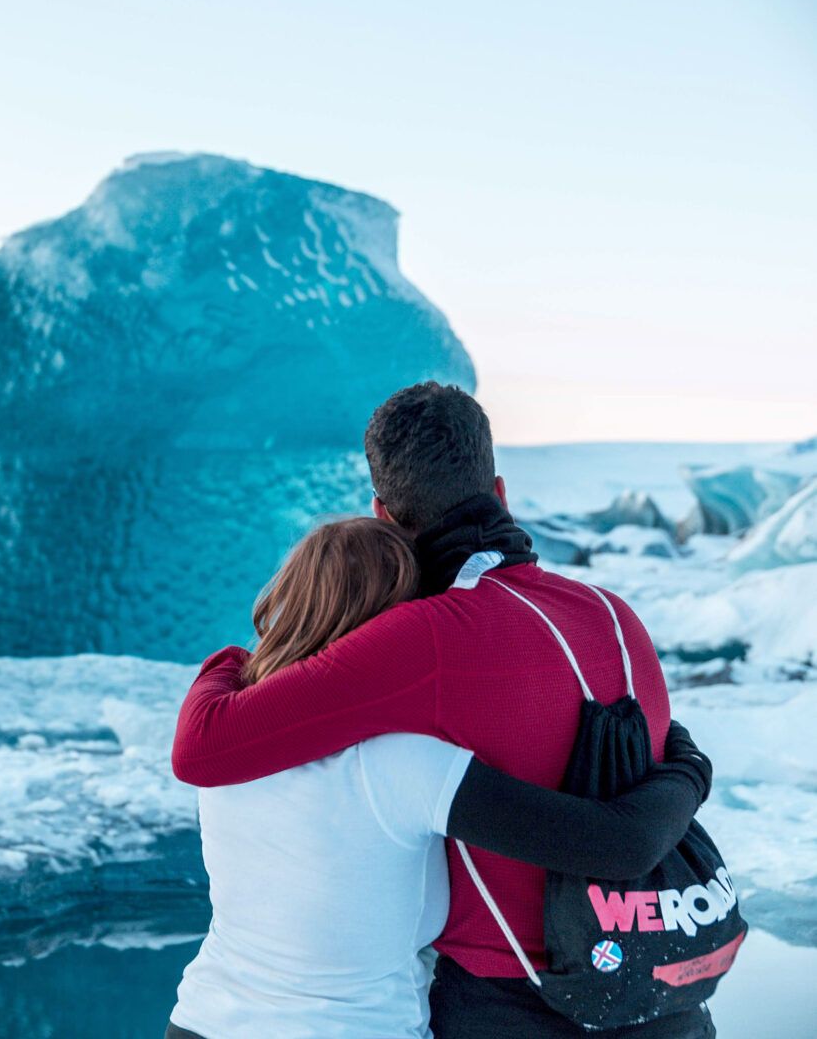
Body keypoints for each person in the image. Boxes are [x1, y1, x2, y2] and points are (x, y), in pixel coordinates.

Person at [172, 381, 716, 1037]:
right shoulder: (613, 613)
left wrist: (236, 656)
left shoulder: (425, 638)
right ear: (501, 493)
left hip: (513, 1007)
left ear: (383, 514)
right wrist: (692, 769)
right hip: (661, 990)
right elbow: (654, 758)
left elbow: (206, 745)